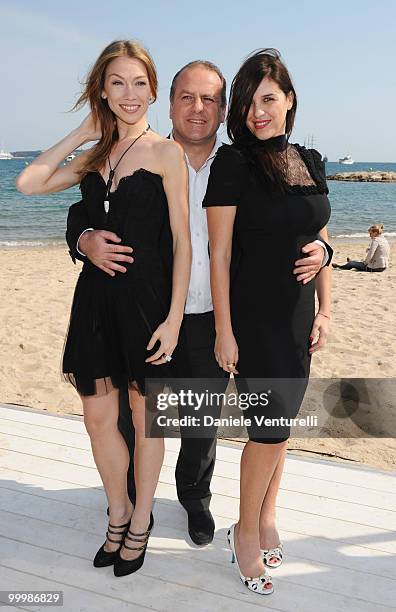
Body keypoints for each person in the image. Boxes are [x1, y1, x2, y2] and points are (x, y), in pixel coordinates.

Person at [66, 58, 333, 547]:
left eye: (209, 98)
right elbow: (83, 207)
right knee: (134, 417)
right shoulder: (139, 153)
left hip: (213, 314)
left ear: (222, 107)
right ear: (169, 104)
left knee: (200, 423)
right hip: (149, 313)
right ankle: (128, 502)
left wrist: (323, 250)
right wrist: (84, 238)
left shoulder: (239, 164)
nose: (197, 108)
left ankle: (194, 499)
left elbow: (292, 223)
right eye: (186, 96)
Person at [16, 40, 192, 577]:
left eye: (139, 83)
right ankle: (116, 514)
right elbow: (28, 183)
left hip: (148, 307)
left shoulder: (167, 153)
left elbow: (184, 242)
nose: (130, 94)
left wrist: (175, 318)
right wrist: (84, 133)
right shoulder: (93, 156)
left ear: (153, 89)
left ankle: (141, 521)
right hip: (94, 306)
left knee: (146, 421)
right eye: (117, 83)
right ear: (101, 90)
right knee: (98, 421)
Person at [203, 48, 331, 596]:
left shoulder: (311, 158)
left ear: (289, 100)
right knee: (268, 429)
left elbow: (319, 237)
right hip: (254, 318)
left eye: (268, 99)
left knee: (281, 429)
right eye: (249, 102)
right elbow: (220, 253)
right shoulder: (233, 163)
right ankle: (245, 529)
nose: (258, 112)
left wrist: (327, 301)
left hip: (300, 314)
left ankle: (267, 513)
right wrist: (224, 329)